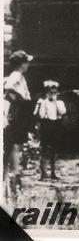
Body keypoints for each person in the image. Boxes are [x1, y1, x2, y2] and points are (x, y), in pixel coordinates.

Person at [3, 50, 34, 194]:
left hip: (21, 114)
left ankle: (14, 175)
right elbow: (8, 87)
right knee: (14, 144)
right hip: (17, 114)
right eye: (26, 61)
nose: (28, 64)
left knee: (17, 144)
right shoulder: (16, 75)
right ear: (21, 64)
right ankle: (14, 175)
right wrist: (20, 97)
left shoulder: (20, 76)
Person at [33, 80, 66, 180]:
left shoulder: (59, 102)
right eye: (51, 92)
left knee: (54, 150)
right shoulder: (43, 102)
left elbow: (62, 112)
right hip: (46, 126)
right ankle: (43, 173)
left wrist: (55, 102)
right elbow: (41, 115)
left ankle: (53, 173)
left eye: (55, 92)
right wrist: (42, 105)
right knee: (44, 150)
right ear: (47, 93)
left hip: (56, 125)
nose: (53, 94)